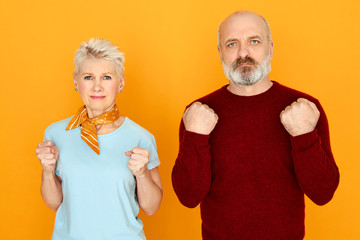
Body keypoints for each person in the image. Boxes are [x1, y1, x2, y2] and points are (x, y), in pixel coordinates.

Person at [172, 11, 339, 240]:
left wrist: (304, 135)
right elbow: (188, 197)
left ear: (270, 48)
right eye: (232, 44)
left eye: (254, 41)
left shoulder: (304, 109)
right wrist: (195, 137)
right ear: (221, 52)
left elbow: (323, 193)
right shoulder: (198, 113)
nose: (243, 53)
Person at [35, 38, 162, 240]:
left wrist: (142, 173)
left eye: (106, 77)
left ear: (121, 83)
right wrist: (48, 171)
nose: (97, 87)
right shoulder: (55, 134)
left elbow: (152, 207)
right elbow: (54, 203)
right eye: (88, 77)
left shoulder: (141, 137)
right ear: (76, 82)